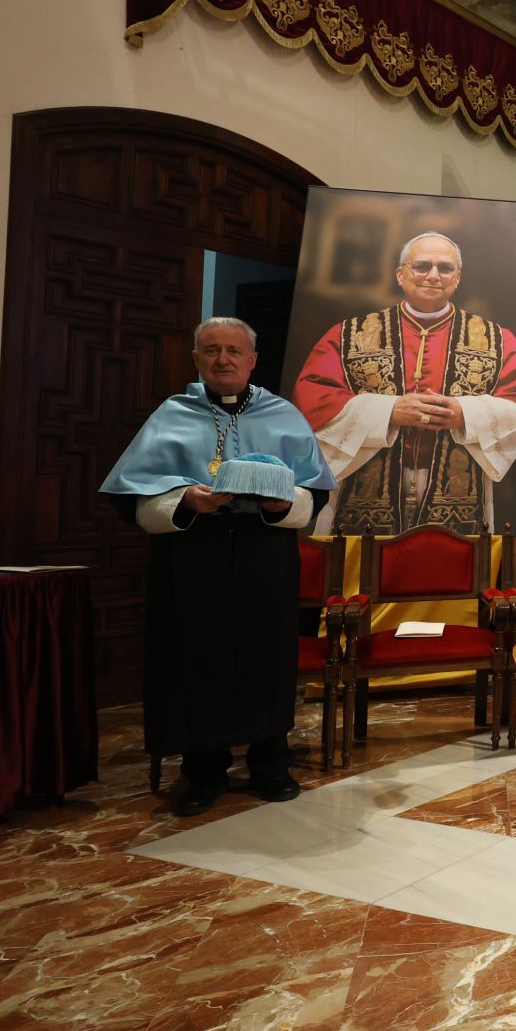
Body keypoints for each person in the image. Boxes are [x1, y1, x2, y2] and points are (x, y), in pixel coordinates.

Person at [100, 318, 335, 817]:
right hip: (192, 554)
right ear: (197, 358)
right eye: (211, 350)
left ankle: (270, 764)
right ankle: (203, 772)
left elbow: (314, 491)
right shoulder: (173, 413)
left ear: (252, 359)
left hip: (263, 553)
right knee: (195, 656)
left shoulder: (283, 414)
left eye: (233, 350)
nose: (222, 359)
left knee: (265, 655)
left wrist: (279, 506)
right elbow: (132, 496)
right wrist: (186, 499)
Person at [293, 232, 516, 535]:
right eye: (422, 266)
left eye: (445, 268)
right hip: (363, 488)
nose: (433, 276)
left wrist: (464, 414)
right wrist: (389, 411)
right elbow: (314, 396)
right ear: (401, 274)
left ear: (458, 278)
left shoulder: (497, 339)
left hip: (457, 491)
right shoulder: (350, 335)